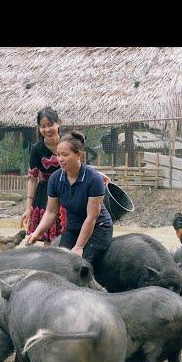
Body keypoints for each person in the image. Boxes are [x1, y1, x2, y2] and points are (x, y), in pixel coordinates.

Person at [25, 131, 113, 266]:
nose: (60, 159)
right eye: (58, 155)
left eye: (65, 155)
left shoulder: (93, 179)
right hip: (73, 227)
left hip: (98, 228)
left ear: (78, 155)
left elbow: (92, 217)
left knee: (76, 265)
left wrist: (78, 247)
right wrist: (36, 233)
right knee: (59, 263)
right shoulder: (55, 178)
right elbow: (51, 212)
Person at [20, 107, 66, 245]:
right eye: (43, 126)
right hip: (45, 194)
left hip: (67, 190)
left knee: (69, 234)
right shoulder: (36, 149)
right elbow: (32, 178)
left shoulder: (68, 143)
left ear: (59, 123)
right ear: (39, 128)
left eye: (51, 124)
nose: (47, 130)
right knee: (49, 239)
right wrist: (28, 207)